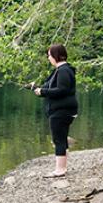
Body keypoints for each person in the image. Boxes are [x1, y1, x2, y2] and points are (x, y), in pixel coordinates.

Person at [31, 44, 78, 178]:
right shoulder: (62, 70)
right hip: (63, 110)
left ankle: (60, 170)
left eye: (49, 55)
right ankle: (62, 167)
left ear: (56, 56)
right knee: (61, 138)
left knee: (58, 140)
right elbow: (53, 87)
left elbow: (62, 90)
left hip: (61, 111)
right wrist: (38, 89)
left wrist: (43, 91)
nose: (48, 58)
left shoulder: (63, 70)